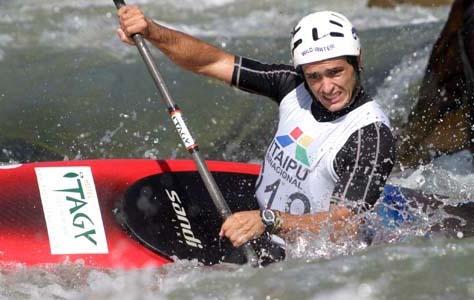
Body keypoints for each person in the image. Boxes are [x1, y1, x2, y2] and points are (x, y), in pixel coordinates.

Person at [117, 7, 396, 248]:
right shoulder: (292, 85)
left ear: (357, 61)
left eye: (335, 72)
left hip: (302, 253)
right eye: (314, 76)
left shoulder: (369, 136)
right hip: (258, 215)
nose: (326, 87)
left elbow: (343, 227)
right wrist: (152, 31)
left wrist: (269, 221)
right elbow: (211, 62)